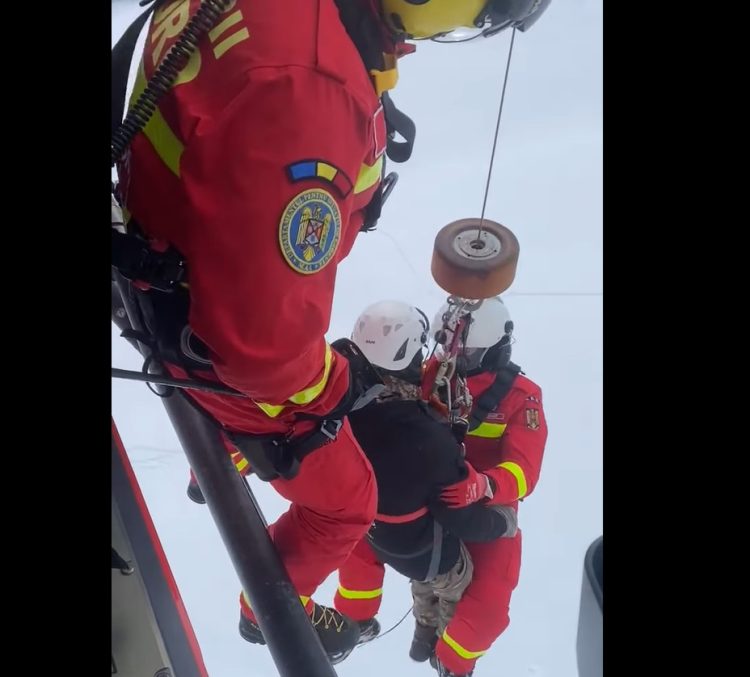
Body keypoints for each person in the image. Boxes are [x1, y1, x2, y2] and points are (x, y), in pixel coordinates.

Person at [113, 0, 551, 661]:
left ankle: (415, 637)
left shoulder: (301, 42)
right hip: (211, 329)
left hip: (178, 270)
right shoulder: (308, 95)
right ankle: (271, 614)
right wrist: (335, 387)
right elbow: (264, 354)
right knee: (348, 504)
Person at [333, 301, 517, 649]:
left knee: (419, 581)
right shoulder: (427, 439)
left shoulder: (343, 405)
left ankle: (420, 633)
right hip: (429, 552)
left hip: (376, 532)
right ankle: (440, 641)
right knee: (454, 589)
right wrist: (501, 521)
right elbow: (458, 515)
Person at [413, 296, 548, 676]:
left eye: (466, 351)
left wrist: (484, 485)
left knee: (488, 608)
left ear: (494, 347)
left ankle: (452, 661)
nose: (454, 357)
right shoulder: (430, 375)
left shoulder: (522, 396)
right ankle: (419, 626)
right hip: (432, 497)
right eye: (449, 347)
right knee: (409, 562)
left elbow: (525, 472)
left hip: (488, 509)